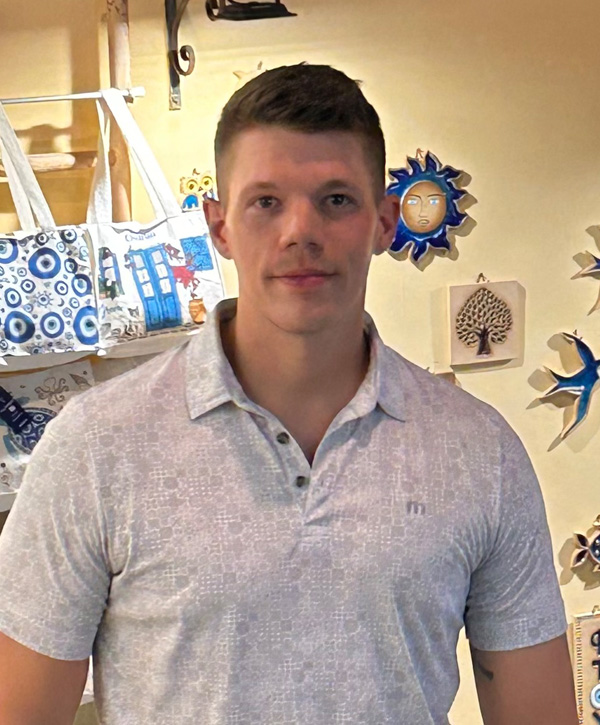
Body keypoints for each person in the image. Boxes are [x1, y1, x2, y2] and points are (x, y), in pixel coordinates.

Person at [0, 64, 576, 725]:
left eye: (335, 199)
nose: (299, 230)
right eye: (266, 201)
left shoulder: (481, 454)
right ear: (217, 226)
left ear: (385, 222)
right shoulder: (97, 446)